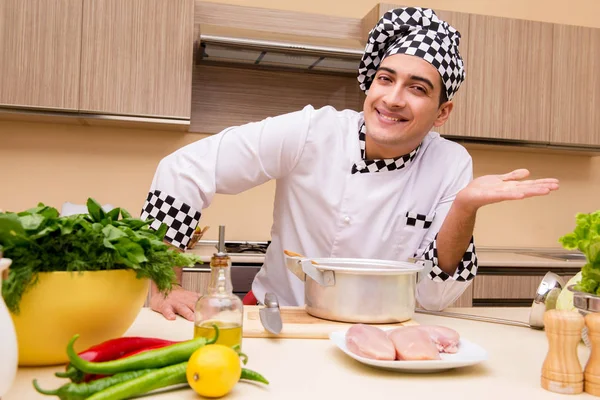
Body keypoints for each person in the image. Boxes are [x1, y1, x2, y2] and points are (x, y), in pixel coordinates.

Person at [141, 7, 559, 321]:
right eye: (385, 79)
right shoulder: (312, 131)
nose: (393, 98)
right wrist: (163, 281)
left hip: (378, 329)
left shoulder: (450, 163)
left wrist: (465, 207)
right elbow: (186, 169)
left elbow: (433, 297)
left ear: (442, 112)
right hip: (277, 315)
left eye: (417, 88)